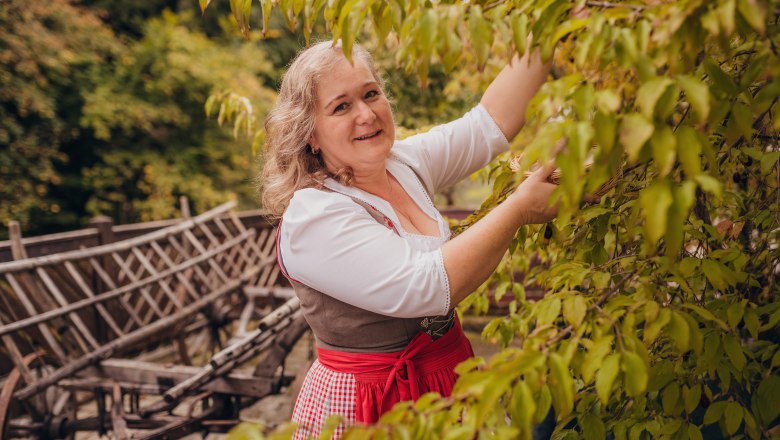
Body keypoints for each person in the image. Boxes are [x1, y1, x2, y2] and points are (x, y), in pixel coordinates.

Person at [262, 39, 558, 438]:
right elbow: (425, 287)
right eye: (341, 106)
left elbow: (490, 125)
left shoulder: (403, 163)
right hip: (370, 404)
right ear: (310, 134)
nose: (366, 114)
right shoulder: (313, 216)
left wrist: (554, 33)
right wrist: (519, 209)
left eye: (371, 94)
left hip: (449, 374)